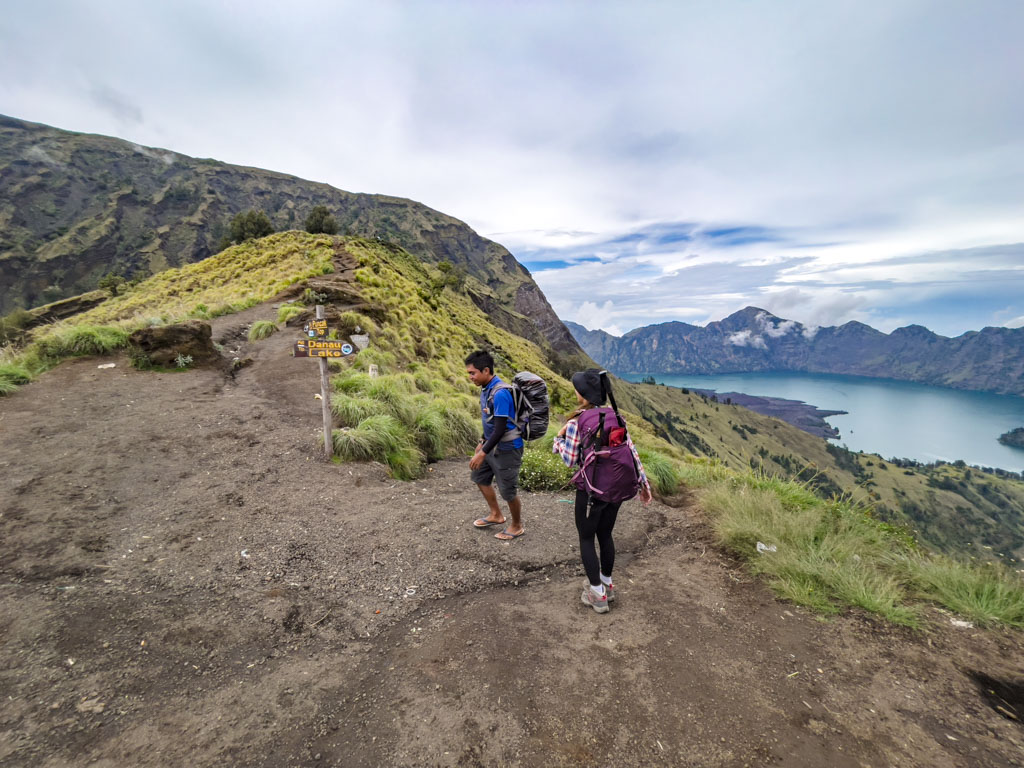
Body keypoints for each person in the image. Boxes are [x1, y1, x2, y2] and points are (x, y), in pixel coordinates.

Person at [553, 369, 652, 613]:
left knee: (586, 538)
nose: (575, 391)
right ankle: (607, 584)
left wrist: (558, 439)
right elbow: (631, 451)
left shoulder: (577, 422)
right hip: (616, 488)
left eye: (577, 388)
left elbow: (569, 459)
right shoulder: (616, 417)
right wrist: (644, 484)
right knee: (605, 535)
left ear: (584, 394)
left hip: (591, 490)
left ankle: (597, 595)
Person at [465, 350, 525, 541]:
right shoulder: (486, 389)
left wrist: (482, 452)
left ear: (486, 370)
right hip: (491, 446)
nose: (470, 377)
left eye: (472, 373)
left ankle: (516, 526)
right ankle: (496, 515)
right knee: (479, 477)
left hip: (507, 449)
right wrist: (482, 442)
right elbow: (490, 421)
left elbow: (499, 429)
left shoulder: (500, 394)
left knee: (508, 490)